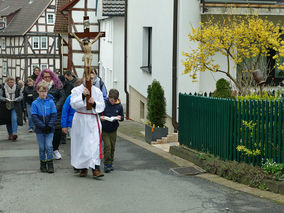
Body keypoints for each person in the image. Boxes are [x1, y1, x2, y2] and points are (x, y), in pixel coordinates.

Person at [70, 71, 105, 178]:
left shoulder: (97, 91)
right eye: (87, 77)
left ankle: (96, 169)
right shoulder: (76, 90)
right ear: (83, 77)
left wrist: (94, 103)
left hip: (93, 119)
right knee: (82, 144)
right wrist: (82, 96)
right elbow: (73, 104)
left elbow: (102, 105)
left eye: (92, 78)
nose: (90, 80)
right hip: (81, 118)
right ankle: (83, 168)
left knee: (94, 144)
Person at [34, 69, 65, 160]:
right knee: (45, 130)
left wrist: (56, 106)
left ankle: (55, 149)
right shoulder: (38, 86)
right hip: (43, 112)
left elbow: (62, 97)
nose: (47, 78)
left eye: (49, 76)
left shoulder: (57, 85)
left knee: (57, 131)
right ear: (42, 77)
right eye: (45, 77)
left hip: (56, 111)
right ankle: (48, 149)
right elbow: (35, 98)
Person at [31, 82, 57, 173]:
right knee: (42, 147)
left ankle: (50, 163)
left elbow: (54, 115)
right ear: (38, 91)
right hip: (40, 130)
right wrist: (42, 126)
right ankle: (43, 163)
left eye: (45, 91)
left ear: (47, 91)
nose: (43, 93)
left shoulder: (51, 102)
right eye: (41, 91)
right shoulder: (35, 103)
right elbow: (34, 117)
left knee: (49, 146)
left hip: (50, 129)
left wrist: (49, 125)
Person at [100, 89, 124, 173]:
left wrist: (119, 118)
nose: (112, 102)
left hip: (113, 129)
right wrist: (101, 118)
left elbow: (122, 117)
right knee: (107, 146)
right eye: (111, 100)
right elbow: (99, 113)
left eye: (114, 101)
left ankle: (110, 163)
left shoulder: (119, 106)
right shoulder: (104, 104)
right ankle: (106, 164)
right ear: (109, 98)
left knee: (112, 147)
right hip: (105, 129)